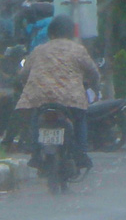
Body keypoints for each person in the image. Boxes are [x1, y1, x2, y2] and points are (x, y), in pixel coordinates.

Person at [15, 14, 100, 169]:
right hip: (71, 99)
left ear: (51, 32)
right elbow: (93, 72)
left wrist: (23, 82)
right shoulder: (78, 49)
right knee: (80, 119)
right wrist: (94, 86)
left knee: (35, 120)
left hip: (41, 98)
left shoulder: (39, 50)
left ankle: (35, 154)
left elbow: (24, 73)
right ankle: (81, 154)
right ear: (71, 33)